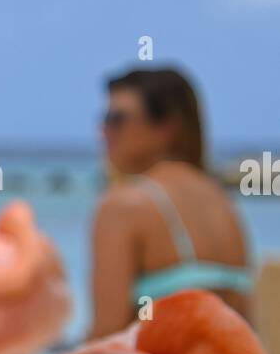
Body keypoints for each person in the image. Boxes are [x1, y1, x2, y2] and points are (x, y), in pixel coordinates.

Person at [89, 66, 251, 339]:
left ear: (166, 128)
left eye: (116, 119)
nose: (103, 131)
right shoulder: (221, 201)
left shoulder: (124, 205)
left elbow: (106, 337)